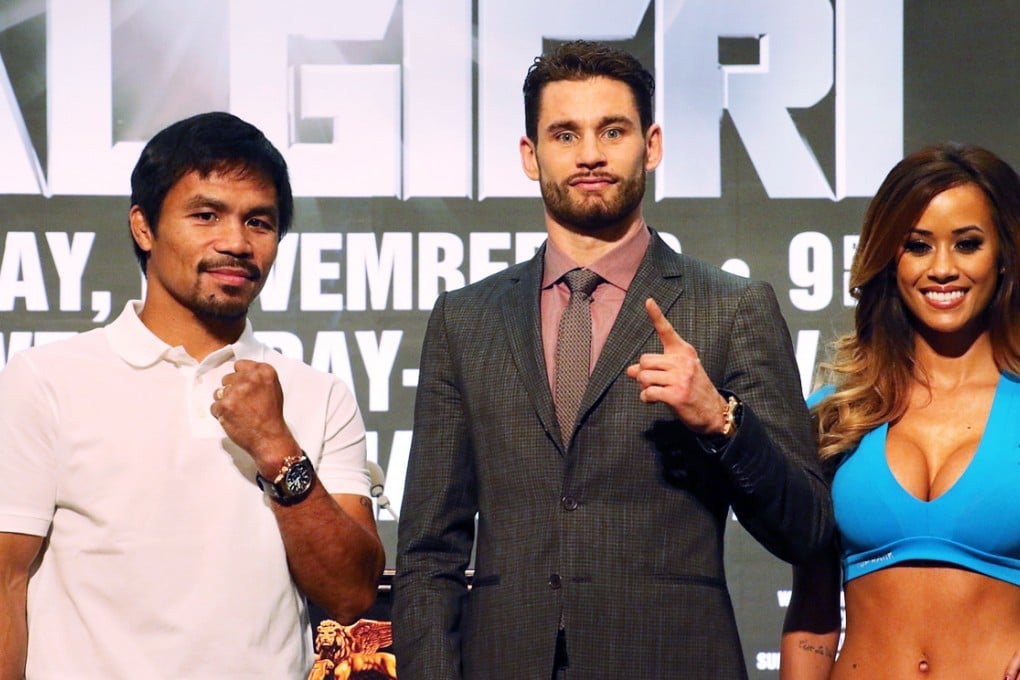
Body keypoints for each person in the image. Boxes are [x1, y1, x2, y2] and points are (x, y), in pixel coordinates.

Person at [393, 40, 833, 679]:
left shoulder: (732, 308)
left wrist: (724, 422)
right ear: (529, 155)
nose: (591, 154)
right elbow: (430, 552)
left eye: (613, 130)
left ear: (650, 145)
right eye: (565, 134)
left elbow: (809, 530)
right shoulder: (466, 319)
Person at [0, 111, 385, 679]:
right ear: (144, 227)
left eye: (259, 222)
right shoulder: (47, 379)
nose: (236, 242)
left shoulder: (318, 393)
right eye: (206, 215)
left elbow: (352, 594)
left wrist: (278, 448)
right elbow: (6, 585)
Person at [780, 143, 1020, 679]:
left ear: (1003, 254)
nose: (942, 269)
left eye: (967, 244)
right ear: (891, 257)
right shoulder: (838, 414)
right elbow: (812, 611)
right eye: (917, 246)